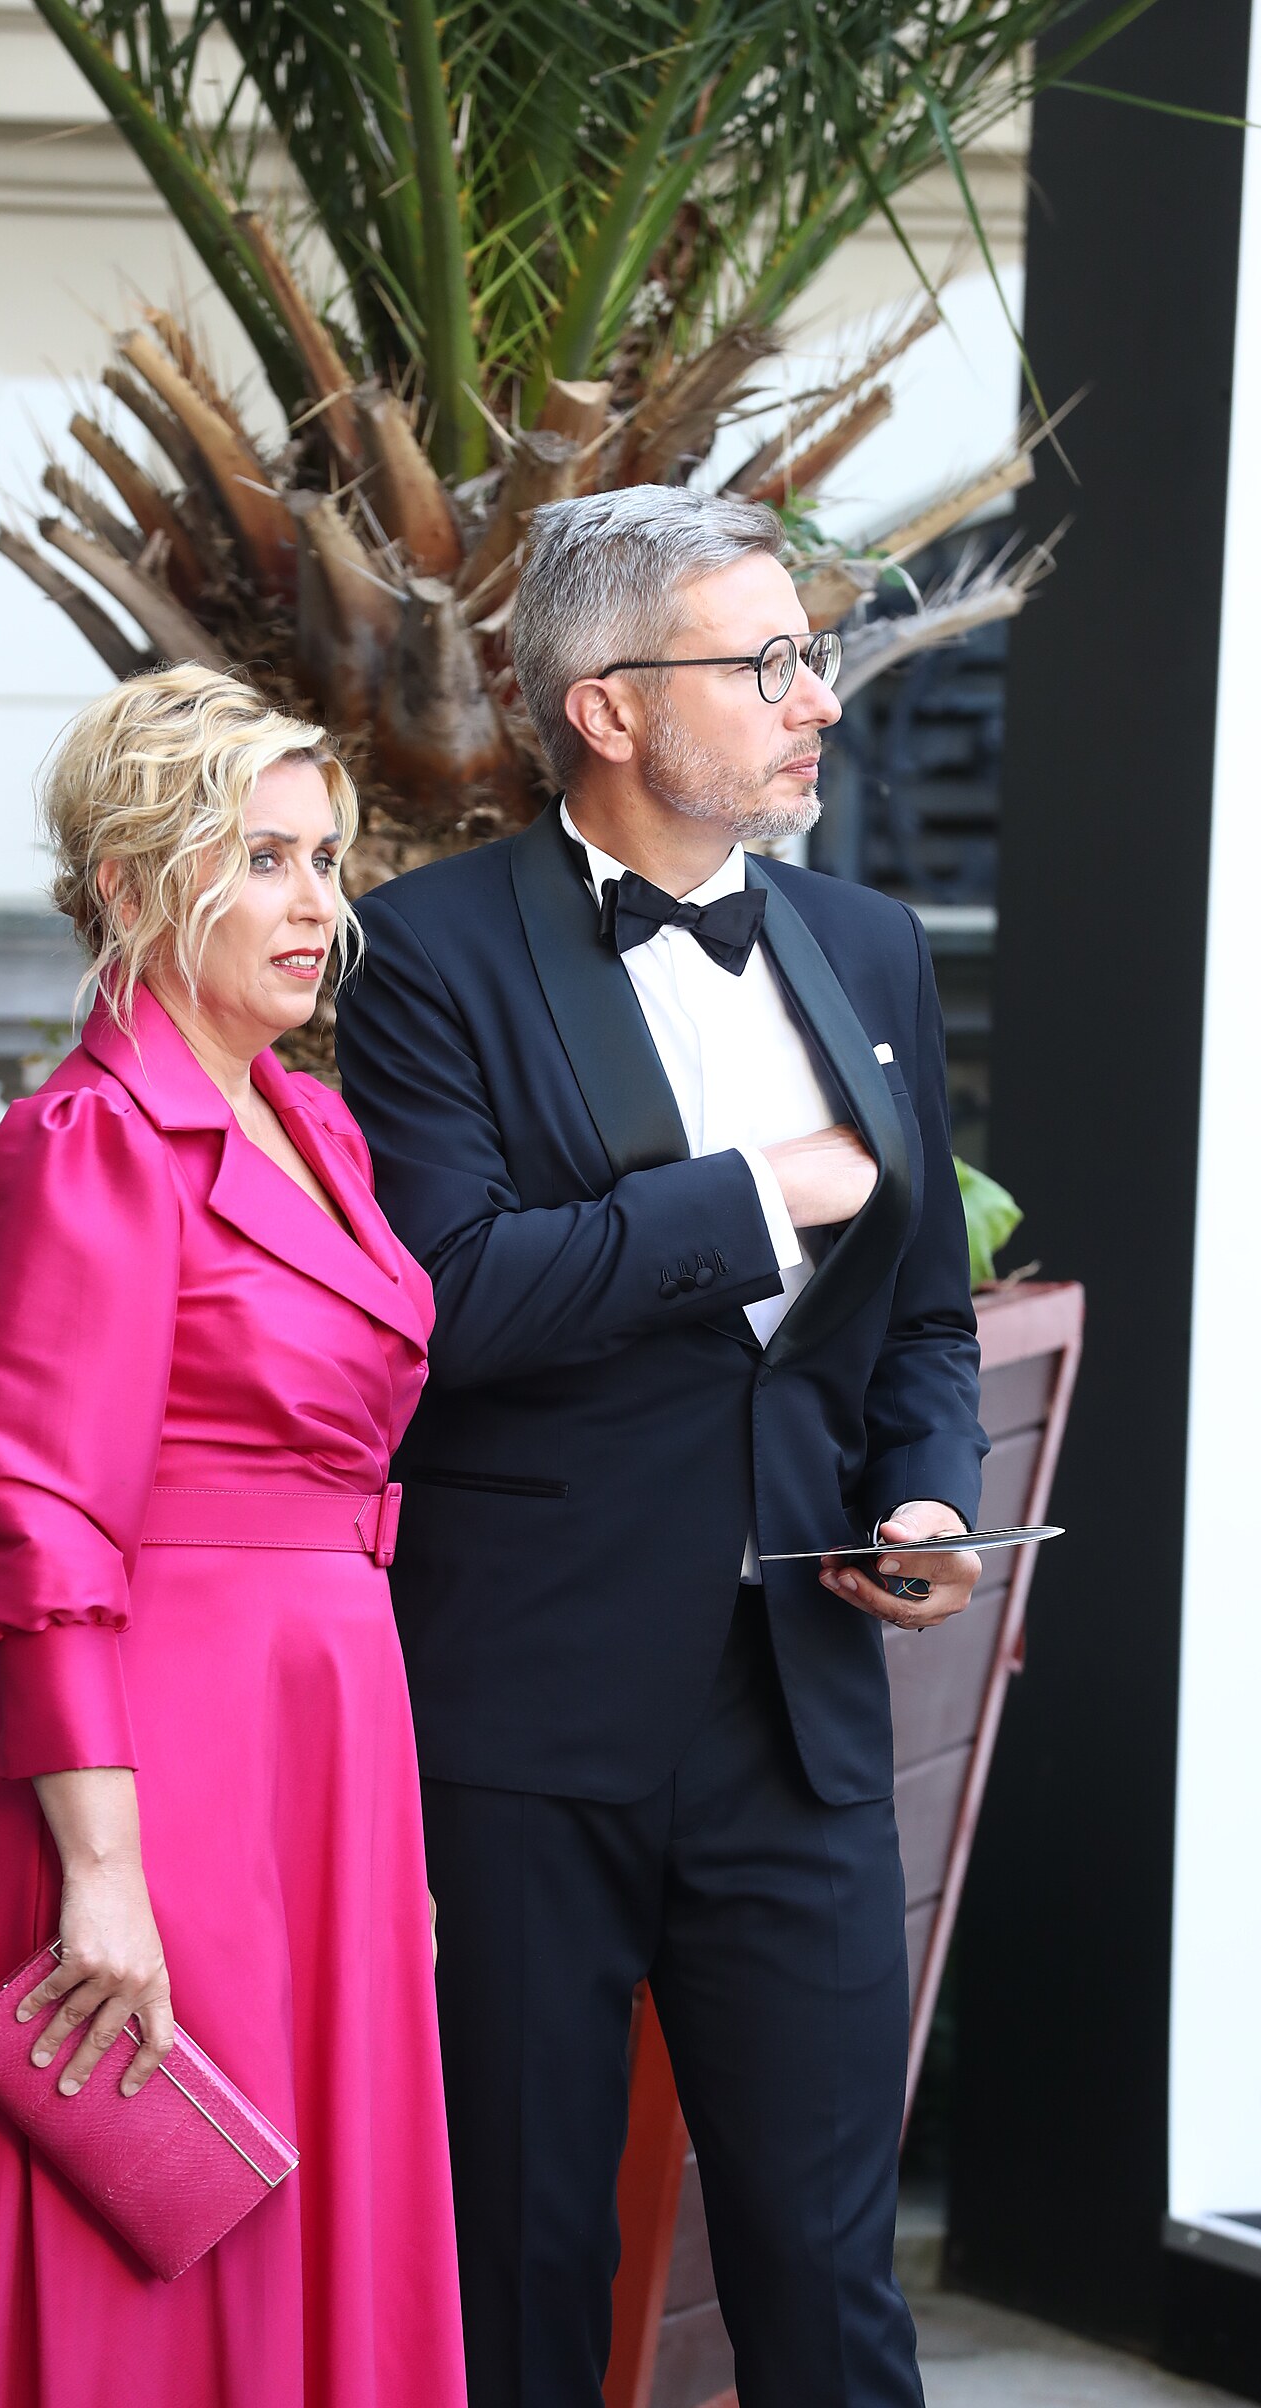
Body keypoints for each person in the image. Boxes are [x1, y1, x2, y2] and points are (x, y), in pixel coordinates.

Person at [334, 485, 990, 2408]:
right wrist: (756, 1193)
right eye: (767, 662)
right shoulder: (424, 951)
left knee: (831, 2278)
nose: (819, 700)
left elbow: (923, 1319)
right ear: (608, 707)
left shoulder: (868, 944)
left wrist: (930, 1491)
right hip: (529, 1715)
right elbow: (452, 1300)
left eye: (814, 657)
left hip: (799, 1708)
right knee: (518, 2262)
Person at [0, 666, 467, 2408]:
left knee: (288, 2230)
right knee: (142, 2253)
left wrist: (386, 1840)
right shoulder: (88, 1142)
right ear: (131, 884)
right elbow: (41, 1522)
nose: (316, 904)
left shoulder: (314, 1121)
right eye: (262, 859)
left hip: (321, 1742)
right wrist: (102, 1872)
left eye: (325, 860)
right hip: (137, 1769)